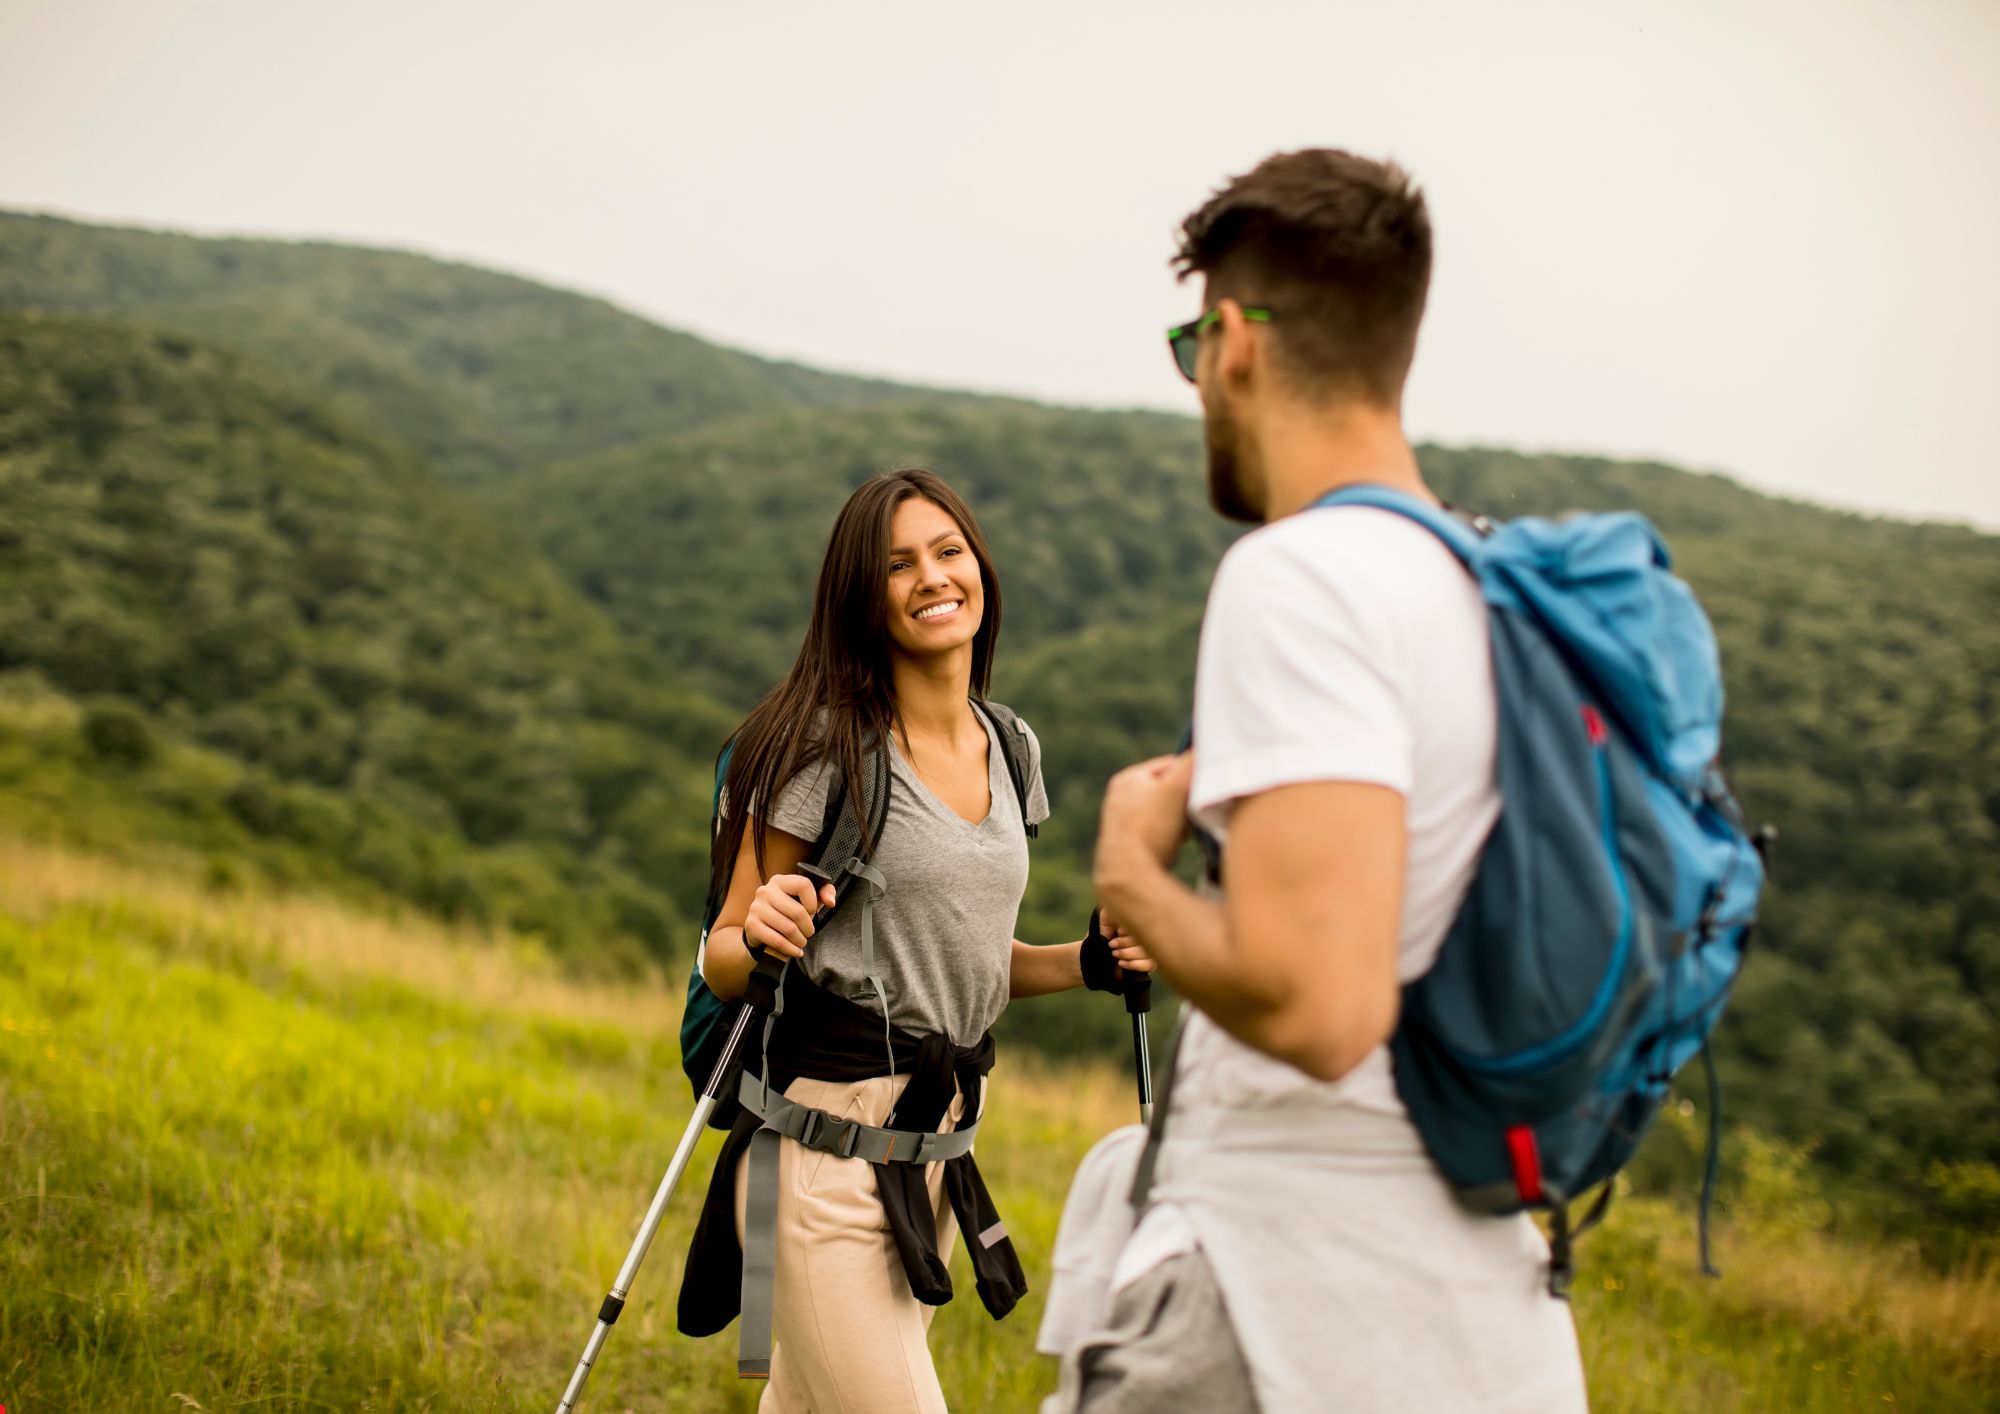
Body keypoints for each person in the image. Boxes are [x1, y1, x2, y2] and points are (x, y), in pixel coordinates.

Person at [1041, 151, 1590, 1411]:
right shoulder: (1493, 590)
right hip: (1482, 1305)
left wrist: (1128, 867)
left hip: (1288, 1299)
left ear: (1232, 341)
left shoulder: (1302, 576)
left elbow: (1318, 1005)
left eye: (1192, 349)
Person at [677, 466, 1154, 1414]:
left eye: (948, 551)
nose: (933, 578)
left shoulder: (1008, 745)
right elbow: (727, 953)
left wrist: (1089, 962)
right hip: (820, 1162)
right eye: (899, 565)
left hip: (930, 1169)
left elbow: (965, 962)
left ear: (979, 566)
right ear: (863, 597)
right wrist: (759, 926)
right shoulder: (822, 747)